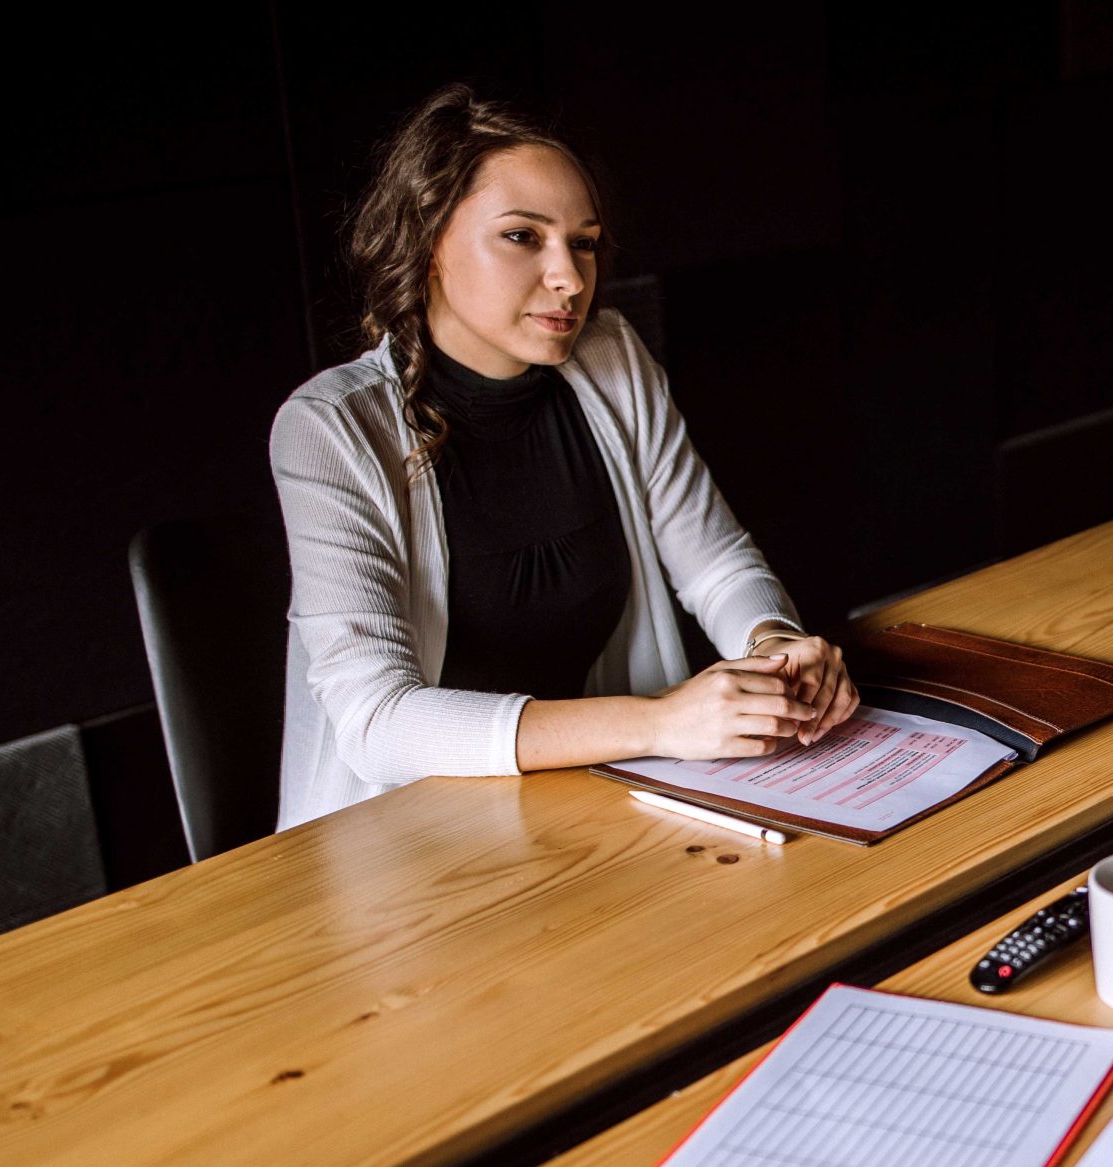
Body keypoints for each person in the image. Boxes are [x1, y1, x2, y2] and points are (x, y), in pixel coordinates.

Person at [270, 86, 856, 829]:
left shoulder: (610, 355)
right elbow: (379, 720)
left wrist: (775, 648)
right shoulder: (330, 427)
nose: (571, 279)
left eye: (582, 242)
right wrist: (656, 723)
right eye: (523, 236)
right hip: (398, 843)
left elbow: (714, 562)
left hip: (583, 809)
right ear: (427, 245)